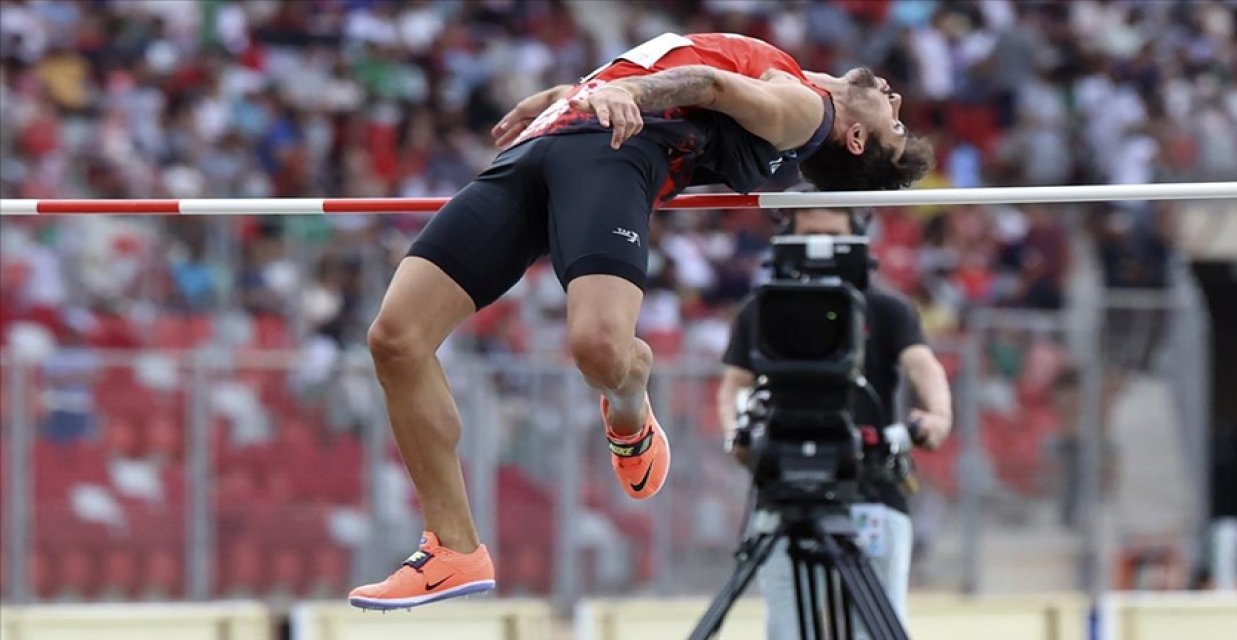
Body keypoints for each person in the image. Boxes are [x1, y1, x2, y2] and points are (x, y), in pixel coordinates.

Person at [349, 32, 933, 610]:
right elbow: (685, 74)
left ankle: (630, 403)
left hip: (612, 152)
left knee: (600, 349)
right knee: (397, 339)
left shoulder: (808, 111)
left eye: (895, 123)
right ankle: (453, 549)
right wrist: (572, 92)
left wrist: (623, 90)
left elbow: (705, 84)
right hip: (547, 142)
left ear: (855, 139)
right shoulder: (791, 79)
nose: (896, 99)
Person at [717, 202, 953, 639]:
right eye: (808, 236)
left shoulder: (887, 309)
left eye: (831, 236)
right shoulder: (763, 310)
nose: (818, 248)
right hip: (783, 487)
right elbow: (733, 384)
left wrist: (938, 415)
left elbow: (924, 365)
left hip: (871, 485)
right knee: (787, 631)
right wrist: (738, 434)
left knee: (874, 628)